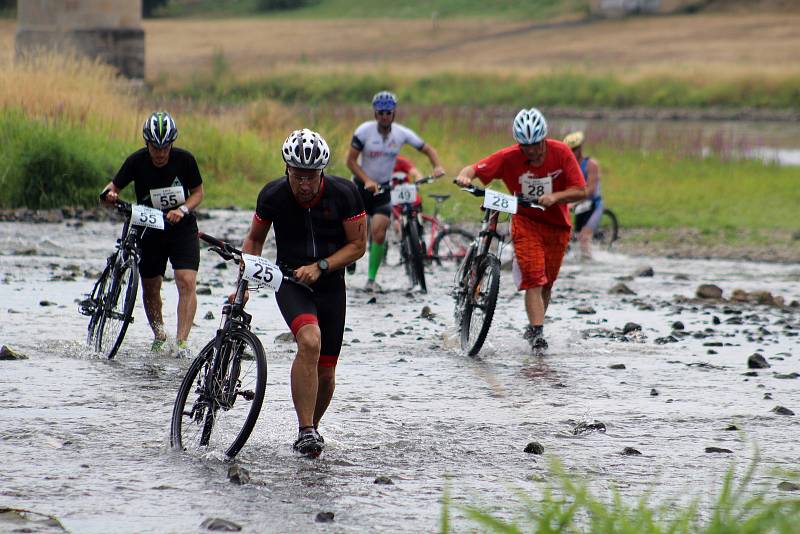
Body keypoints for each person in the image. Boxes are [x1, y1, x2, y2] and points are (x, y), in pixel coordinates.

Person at [240, 129, 366, 458]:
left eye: (310, 177)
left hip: (330, 284)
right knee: (309, 341)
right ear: (287, 171)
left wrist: (322, 266)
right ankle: (305, 428)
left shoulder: (346, 194)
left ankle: (312, 428)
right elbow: (254, 241)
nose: (305, 185)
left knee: (326, 373)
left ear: (321, 172)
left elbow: (358, 246)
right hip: (291, 281)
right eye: (298, 177)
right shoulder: (273, 195)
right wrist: (243, 285)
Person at [455, 108, 586, 351]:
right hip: (525, 222)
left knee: (547, 283)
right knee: (534, 279)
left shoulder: (562, 152)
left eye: (536, 144)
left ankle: (534, 327)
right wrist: (465, 176)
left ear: (544, 139)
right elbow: (473, 169)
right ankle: (537, 334)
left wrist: (556, 197)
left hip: (557, 226)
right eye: (526, 146)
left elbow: (581, 190)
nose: (532, 151)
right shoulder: (509, 156)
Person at [101, 111, 204, 358]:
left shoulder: (185, 160)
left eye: (165, 148)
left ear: (171, 144)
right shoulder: (136, 161)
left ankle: (181, 343)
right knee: (150, 286)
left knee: (186, 280)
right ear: (147, 144)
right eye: (155, 148)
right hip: (150, 228)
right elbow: (110, 189)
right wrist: (109, 195)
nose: (160, 153)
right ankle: (159, 336)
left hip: (181, 227)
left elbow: (198, 193)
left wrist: (183, 209)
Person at [346, 91, 445, 292]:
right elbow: (350, 161)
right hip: (360, 187)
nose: (384, 116)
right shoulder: (364, 131)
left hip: (383, 189)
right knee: (358, 235)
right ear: (375, 114)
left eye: (388, 113)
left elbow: (428, 149)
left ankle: (371, 279)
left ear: (394, 113)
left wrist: (437, 166)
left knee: (379, 231)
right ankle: (349, 259)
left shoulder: (401, 133)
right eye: (381, 113)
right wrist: (367, 180)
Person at [563, 131, 602, 261]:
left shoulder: (591, 165)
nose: (570, 153)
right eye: (568, 151)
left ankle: (588, 264)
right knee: (567, 232)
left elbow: (591, 190)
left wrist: (573, 202)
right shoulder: (567, 166)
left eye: (573, 150)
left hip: (593, 204)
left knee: (584, 237)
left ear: (579, 149)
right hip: (578, 204)